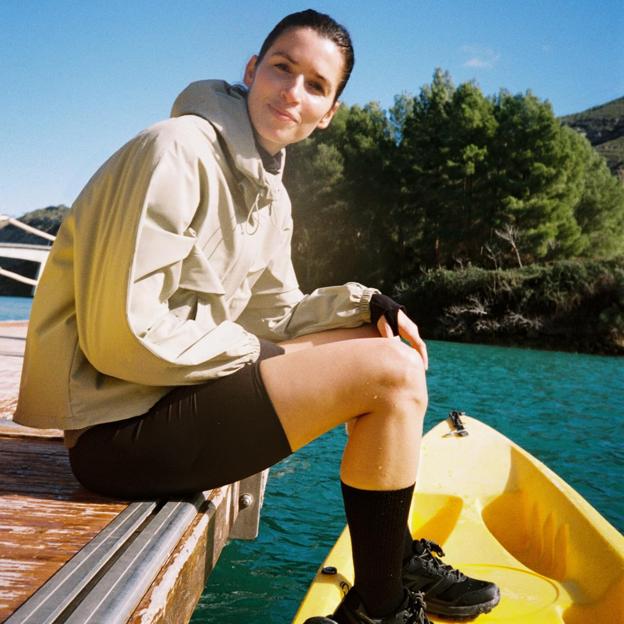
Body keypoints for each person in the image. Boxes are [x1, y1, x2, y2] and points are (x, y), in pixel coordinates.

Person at [15, 9, 500, 624]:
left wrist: (365, 303)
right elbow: (123, 337)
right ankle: (380, 609)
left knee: (381, 345)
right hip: (116, 432)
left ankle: (393, 553)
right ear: (252, 71)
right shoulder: (177, 151)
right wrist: (260, 356)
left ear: (328, 115)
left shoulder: (268, 189)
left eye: (316, 86)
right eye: (282, 68)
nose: (293, 92)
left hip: (166, 400)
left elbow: (279, 314)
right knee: (390, 375)